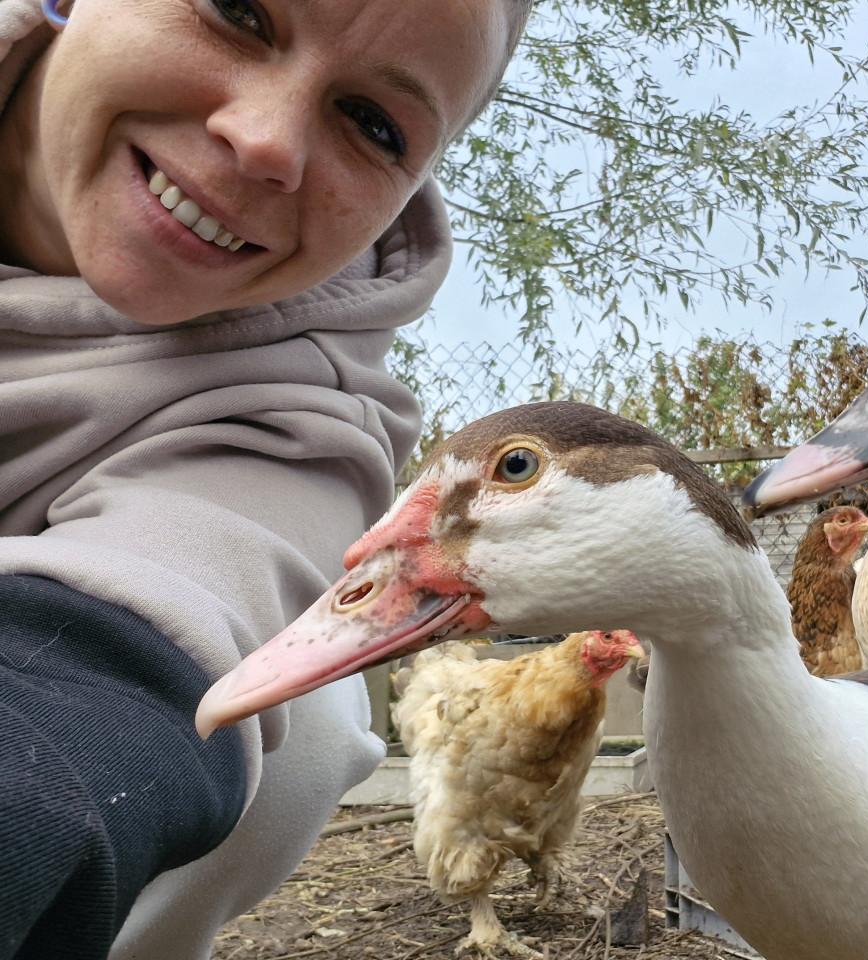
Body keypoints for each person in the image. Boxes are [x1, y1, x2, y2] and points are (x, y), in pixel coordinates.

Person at [0, 0, 531, 956]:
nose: (262, 142)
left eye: (374, 124)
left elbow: (132, 648)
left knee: (292, 718)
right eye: (237, 12)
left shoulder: (298, 416)